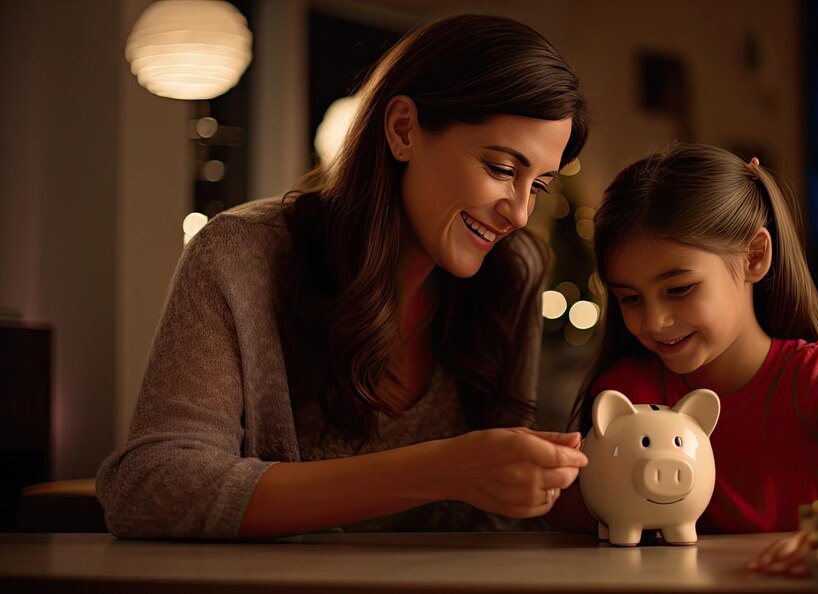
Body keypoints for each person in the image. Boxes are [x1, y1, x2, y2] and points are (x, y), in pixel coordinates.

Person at [96, 13, 590, 540]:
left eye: (539, 185)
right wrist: (440, 470)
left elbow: (496, 523)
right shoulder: (242, 255)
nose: (520, 214)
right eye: (502, 169)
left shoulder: (513, 273)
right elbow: (151, 487)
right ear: (403, 130)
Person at [559, 143, 818, 574]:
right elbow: (580, 514)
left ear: (754, 257)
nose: (654, 321)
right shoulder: (629, 392)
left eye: (679, 289)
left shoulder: (815, 376)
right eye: (630, 298)